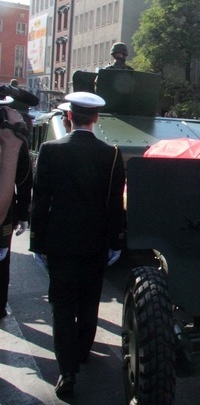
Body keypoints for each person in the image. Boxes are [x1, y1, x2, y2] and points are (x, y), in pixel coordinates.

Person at [30, 92, 126, 397]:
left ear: (69, 117)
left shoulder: (49, 149)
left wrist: (37, 242)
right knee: (88, 301)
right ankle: (83, 351)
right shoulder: (111, 154)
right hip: (95, 243)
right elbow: (115, 205)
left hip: (59, 242)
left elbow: (40, 201)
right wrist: (116, 242)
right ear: (96, 118)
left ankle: (67, 370)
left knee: (61, 306)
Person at [1, 94, 31, 321]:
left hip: (6, 206)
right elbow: (23, 178)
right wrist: (22, 214)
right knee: (2, 258)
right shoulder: (14, 138)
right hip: (5, 208)